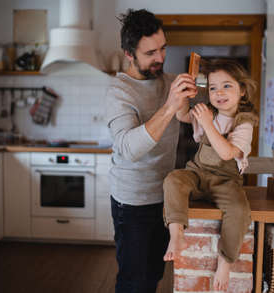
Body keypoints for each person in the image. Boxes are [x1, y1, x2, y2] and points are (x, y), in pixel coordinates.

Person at [105, 9, 197, 293]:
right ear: (129, 54)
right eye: (150, 53)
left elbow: (186, 119)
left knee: (154, 274)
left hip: (165, 198)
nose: (160, 58)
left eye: (163, 48)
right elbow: (128, 149)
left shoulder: (169, 81)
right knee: (135, 281)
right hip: (132, 202)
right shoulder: (119, 91)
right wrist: (169, 106)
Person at [163, 60, 258, 291]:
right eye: (213, 88)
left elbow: (226, 153)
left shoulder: (245, 122)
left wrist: (207, 123)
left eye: (227, 86)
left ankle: (225, 262)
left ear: (242, 90)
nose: (219, 93)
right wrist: (185, 93)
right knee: (173, 179)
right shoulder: (208, 111)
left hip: (226, 181)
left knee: (239, 210)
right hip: (197, 173)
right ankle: (176, 234)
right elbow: (182, 115)